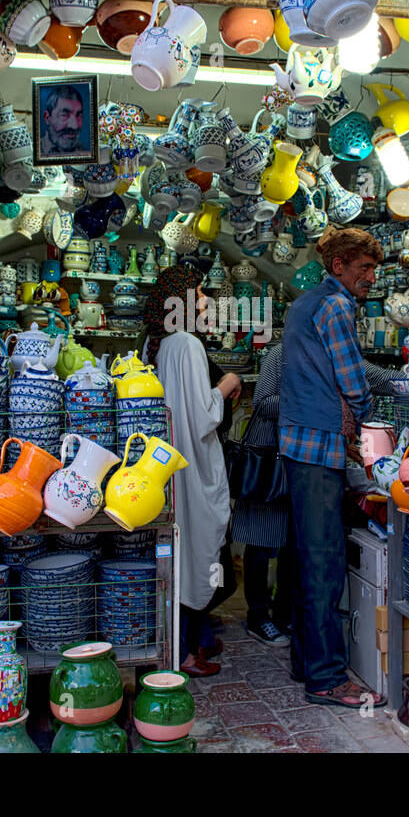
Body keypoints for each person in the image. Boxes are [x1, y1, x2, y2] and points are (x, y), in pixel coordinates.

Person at [232, 342, 406, 648]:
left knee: (294, 542)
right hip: (270, 458)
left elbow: (377, 378)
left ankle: (284, 611)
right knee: (262, 538)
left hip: (307, 459)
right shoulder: (282, 353)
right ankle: (258, 617)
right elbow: (263, 404)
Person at [278, 226, 386, 708]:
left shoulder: (302, 304)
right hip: (320, 446)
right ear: (339, 265)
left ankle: (307, 659)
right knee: (324, 563)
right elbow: (352, 377)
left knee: (306, 558)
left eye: (373, 270)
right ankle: (326, 677)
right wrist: (361, 415)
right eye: (363, 269)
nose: (370, 278)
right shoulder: (337, 306)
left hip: (298, 443)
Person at [141, 265, 242, 677]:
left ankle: (192, 640)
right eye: (198, 293)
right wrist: (228, 384)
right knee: (198, 551)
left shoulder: (162, 342)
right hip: (192, 463)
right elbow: (203, 416)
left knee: (184, 554)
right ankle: (185, 653)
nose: (204, 301)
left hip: (171, 463)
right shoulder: (187, 343)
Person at [39, 84, 87, 157]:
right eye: (64, 115)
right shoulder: (32, 153)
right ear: (47, 117)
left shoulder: (85, 153)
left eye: (79, 115)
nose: (74, 126)